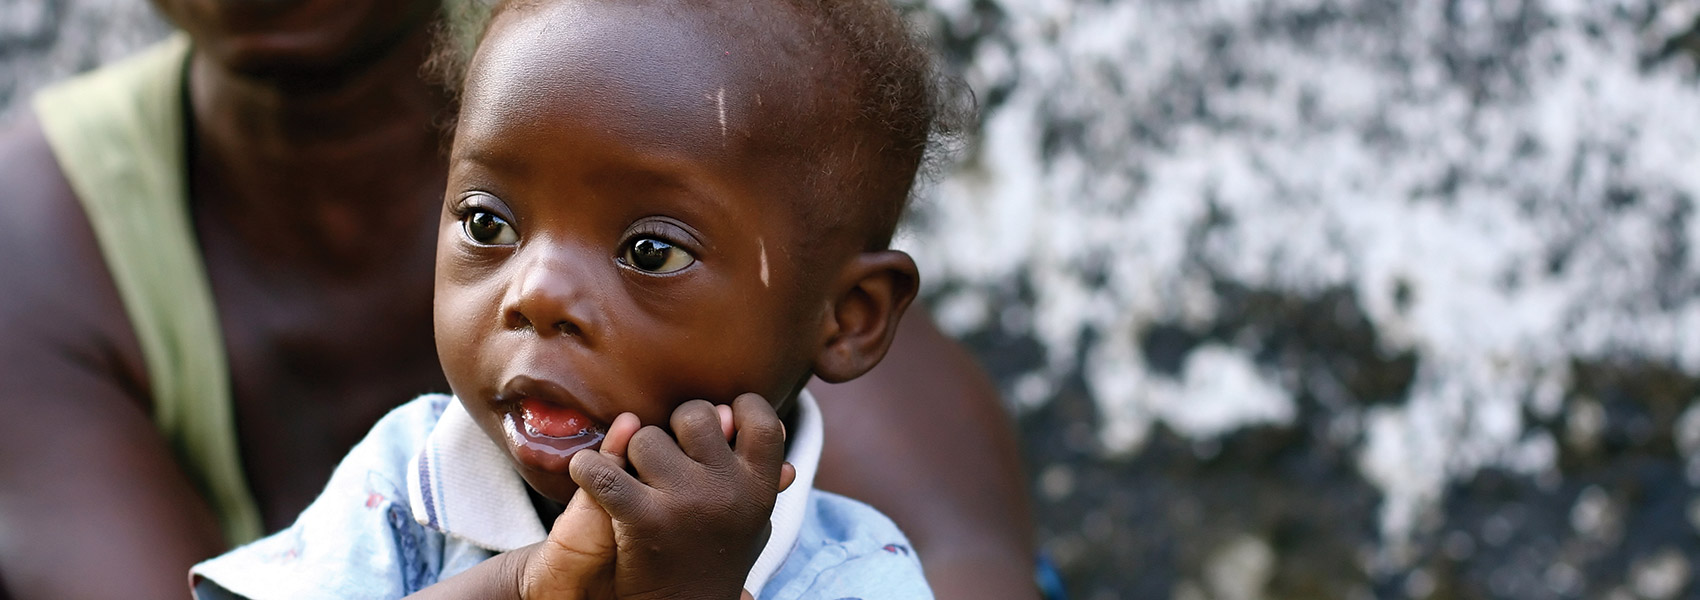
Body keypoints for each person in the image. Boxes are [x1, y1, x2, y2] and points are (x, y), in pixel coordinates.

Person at [0, 0, 1033, 598]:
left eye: (648, 249)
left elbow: (972, 551)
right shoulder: (398, 485)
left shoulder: (636, 64)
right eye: (486, 225)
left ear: (845, 322)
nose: (537, 291)